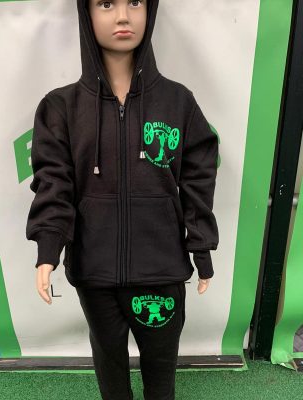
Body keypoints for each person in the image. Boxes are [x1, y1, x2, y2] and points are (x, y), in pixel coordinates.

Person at [26, 0, 219, 399]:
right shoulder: (61, 107)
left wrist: (200, 247)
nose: (122, 16)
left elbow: (199, 176)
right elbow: (54, 183)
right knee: (110, 373)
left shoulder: (178, 102)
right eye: (106, 3)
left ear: (150, 10)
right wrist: (48, 249)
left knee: (161, 378)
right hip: (94, 273)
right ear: (86, 13)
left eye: (134, 2)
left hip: (161, 272)